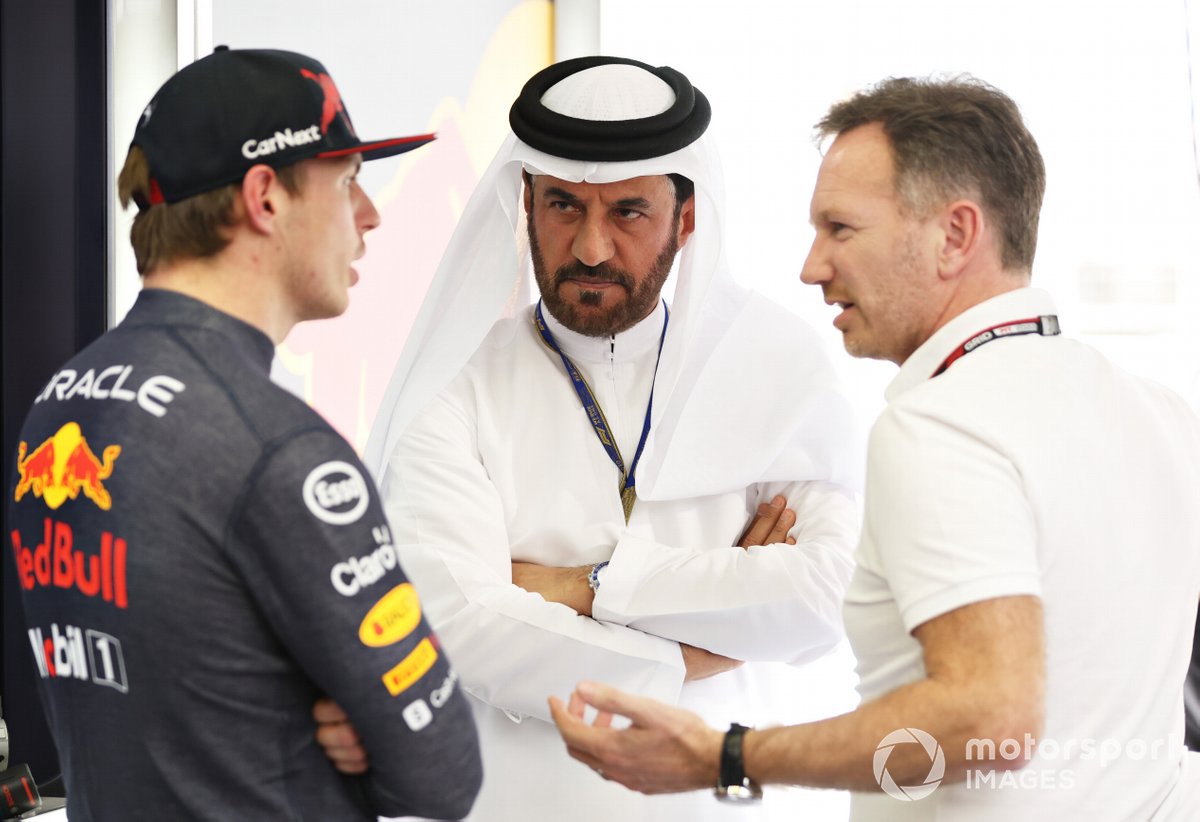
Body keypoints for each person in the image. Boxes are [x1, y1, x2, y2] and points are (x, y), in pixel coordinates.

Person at [550, 75, 1200, 821]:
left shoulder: (944, 427)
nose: (811, 266)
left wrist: (725, 756)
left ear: (954, 235)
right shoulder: (1164, 414)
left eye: (841, 229)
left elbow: (991, 716)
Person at [319, 56, 863, 820]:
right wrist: (696, 645)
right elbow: (458, 620)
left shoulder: (774, 367)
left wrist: (583, 589)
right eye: (564, 207)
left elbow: (825, 593)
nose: (591, 249)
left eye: (629, 212)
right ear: (526, 203)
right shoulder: (459, 384)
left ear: (688, 216)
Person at [6, 47, 481, 821]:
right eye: (348, 182)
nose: (370, 215)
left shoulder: (59, 405)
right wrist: (340, 715)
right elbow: (442, 770)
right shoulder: (279, 450)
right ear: (265, 196)